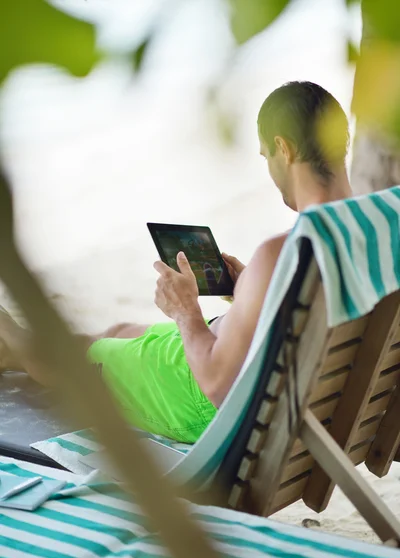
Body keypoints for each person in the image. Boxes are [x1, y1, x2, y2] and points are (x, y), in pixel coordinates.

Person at [0, 81, 352, 443]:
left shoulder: (278, 253)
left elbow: (218, 386)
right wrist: (252, 288)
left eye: (266, 157)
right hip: (294, 387)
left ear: (284, 148)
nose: (270, 172)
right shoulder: (371, 234)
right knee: (119, 330)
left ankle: (9, 338)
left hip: (202, 399)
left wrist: (185, 311)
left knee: (80, 354)